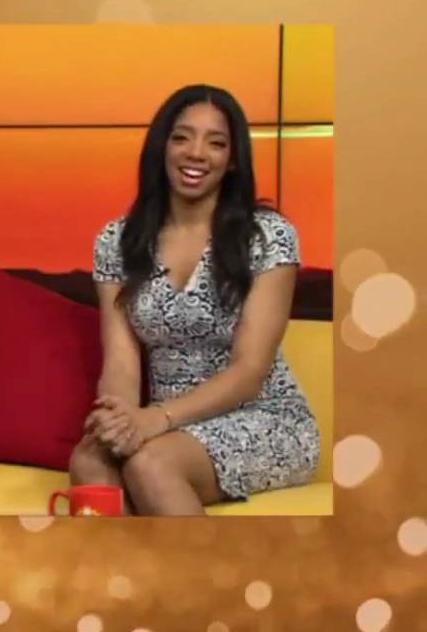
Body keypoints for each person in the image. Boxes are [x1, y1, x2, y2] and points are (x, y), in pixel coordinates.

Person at [72, 84, 320, 515]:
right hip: (165, 426)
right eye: (182, 137)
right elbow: (120, 362)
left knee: (150, 465)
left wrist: (156, 419)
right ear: (162, 147)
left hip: (263, 416)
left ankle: (207, 583)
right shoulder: (117, 241)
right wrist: (120, 417)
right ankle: (129, 582)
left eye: (216, 142)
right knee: (90, 460)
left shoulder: (268, 236)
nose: (197, 153)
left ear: (234, 159)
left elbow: (250, 371)